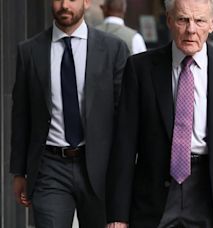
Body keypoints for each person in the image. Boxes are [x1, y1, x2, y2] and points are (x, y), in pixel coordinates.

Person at [106, 0, 213, 227]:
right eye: (183, 19)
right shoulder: (140, 69)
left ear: (212, 24)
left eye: (199, 21)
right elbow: (124, 146)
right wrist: (117, 216)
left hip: (212, 194)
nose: (191, 29)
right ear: (168, 20)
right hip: (154, 196)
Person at [10, 0, 129, 227]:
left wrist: (124, 178)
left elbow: (124, 119)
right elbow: (21, 114)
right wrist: (18, 172)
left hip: (100, 168)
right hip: (49, 167)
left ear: (86, 2)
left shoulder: (114, 50)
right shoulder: (29, 51)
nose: (64, 5)